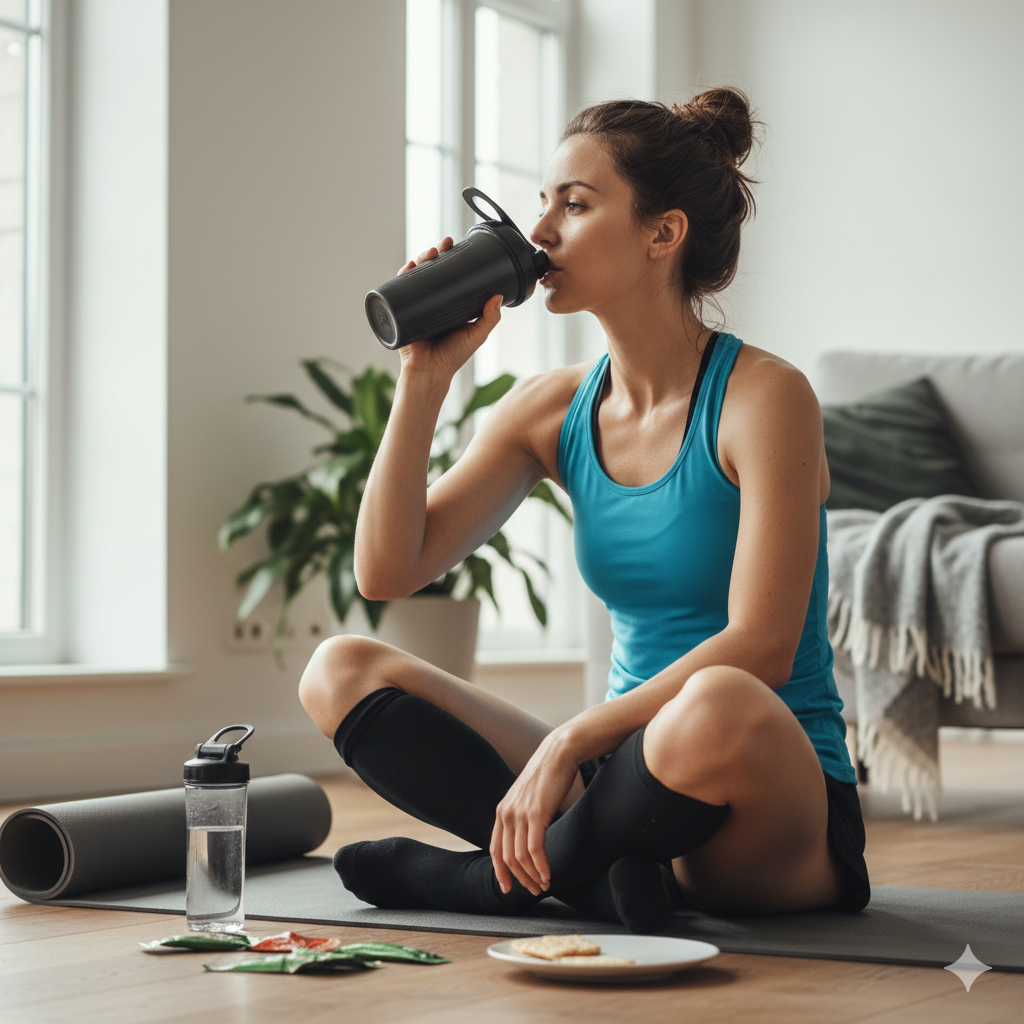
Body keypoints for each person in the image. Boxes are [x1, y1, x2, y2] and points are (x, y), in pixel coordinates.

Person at [298, 88, 870, 933]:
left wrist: (569, 741)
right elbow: (388, 570)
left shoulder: (764, 398)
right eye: (542, 202)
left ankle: (492, 884)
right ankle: (596, 880)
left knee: (717, 695)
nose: (539, 233)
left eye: (575, 203)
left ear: (661, 234)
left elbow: (763, 648)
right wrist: (424, 380)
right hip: (620, 790)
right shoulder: (549, 410)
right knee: (339, 669)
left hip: (757, 795)